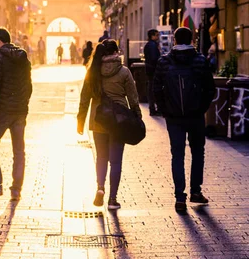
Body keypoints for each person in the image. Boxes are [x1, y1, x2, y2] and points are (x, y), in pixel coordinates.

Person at [153, 27, 216, 214]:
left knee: (177, 155)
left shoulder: (164, 61)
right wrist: (201, 109)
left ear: (174, 40)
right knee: (198, 153)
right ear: (191, 40)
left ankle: (180, 197)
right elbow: (210, 88)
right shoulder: (199, 60)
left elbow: (156, 89)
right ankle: (195, 191)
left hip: (174, 118)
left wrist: (166, 111)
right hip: (195, 116)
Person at [77, 39, 141, 210]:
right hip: (119, 121)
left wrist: (80, 120)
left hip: (99, 120)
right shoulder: (124, 72)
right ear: (115, 53)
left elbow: (84, 98)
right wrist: (137, 116)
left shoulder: (93, 71)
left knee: (102, 158)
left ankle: (100, 188)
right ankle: (113, 199)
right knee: (116, 162)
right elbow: (133, 97)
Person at [0, 27, 32, 202]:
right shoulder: (23, 56)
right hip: (20, 111)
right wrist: (24, 103)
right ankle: (16, 190)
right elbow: (29, 85)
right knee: (19, 151)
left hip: (2, 110)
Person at [144, 29, 161, 116]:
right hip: (153, 70)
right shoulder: (153, 45)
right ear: (152, 36)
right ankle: (154, 109)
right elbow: (154, 58)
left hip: (150, 69)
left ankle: (152, 108)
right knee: (153, 89)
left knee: (151, 88)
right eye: (157, 35)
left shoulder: (149, 45)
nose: (158, 37)